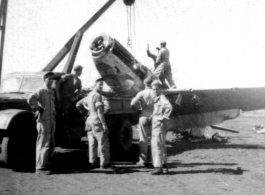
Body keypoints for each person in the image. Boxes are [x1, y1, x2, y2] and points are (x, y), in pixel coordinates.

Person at [27, 72, 56, 175]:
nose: (51, 81)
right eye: (49, 79)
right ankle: (40, 168)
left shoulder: (51, 92)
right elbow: (30, 98)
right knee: (43, 144)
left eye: (52, 79)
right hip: (44, 121)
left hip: (51, 120)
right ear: (44, 79)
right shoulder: (41, 91)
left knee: (51, 144)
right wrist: (37, 107)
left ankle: (46, 165)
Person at [82, 78, 111, 169]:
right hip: (96, 120)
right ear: (95, 85)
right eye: (100, 84)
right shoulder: (98, 95)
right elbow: (100, 112)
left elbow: (80, 104)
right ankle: (104, 163)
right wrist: (104, 125)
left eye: (102, 84)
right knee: (103, 142)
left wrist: (88, 110)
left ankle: (92, 162)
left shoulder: (89, 95)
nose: (101, 86)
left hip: (89, 120)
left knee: (92, 143)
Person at [130, 77, 156, 167]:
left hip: (144, 114)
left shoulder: (141, 93)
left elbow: (132, 103)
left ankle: (142, 161)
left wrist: (137, 110)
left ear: (145, 84)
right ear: (152, 83)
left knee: (143, 139)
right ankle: (155, 161)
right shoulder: (156, 93)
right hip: (154, 115)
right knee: (154, 139)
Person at [55, 65, 83, 144]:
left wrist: (76, 96)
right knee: (59, 118)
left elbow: (80, 88)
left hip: (68, 101)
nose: (81, 73)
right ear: (77, 71)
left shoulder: (78, 80)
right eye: (80, 71)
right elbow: (57, 83)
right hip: (60, 100)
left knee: (67, 118)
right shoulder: (67, 77)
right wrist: (57, 94)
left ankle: (67, 137)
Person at [150, 80, 173, 175]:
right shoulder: (157, 98)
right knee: (161, 145)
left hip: (159, 125)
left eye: (157, 89)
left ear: (160, 89)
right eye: (153, 89)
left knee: (157, 145)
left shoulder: (162, 98)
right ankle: (164, 167)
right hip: (157, 124)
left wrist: (162, 118)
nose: (155, 91)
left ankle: (158, 167)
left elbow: (169, 107)